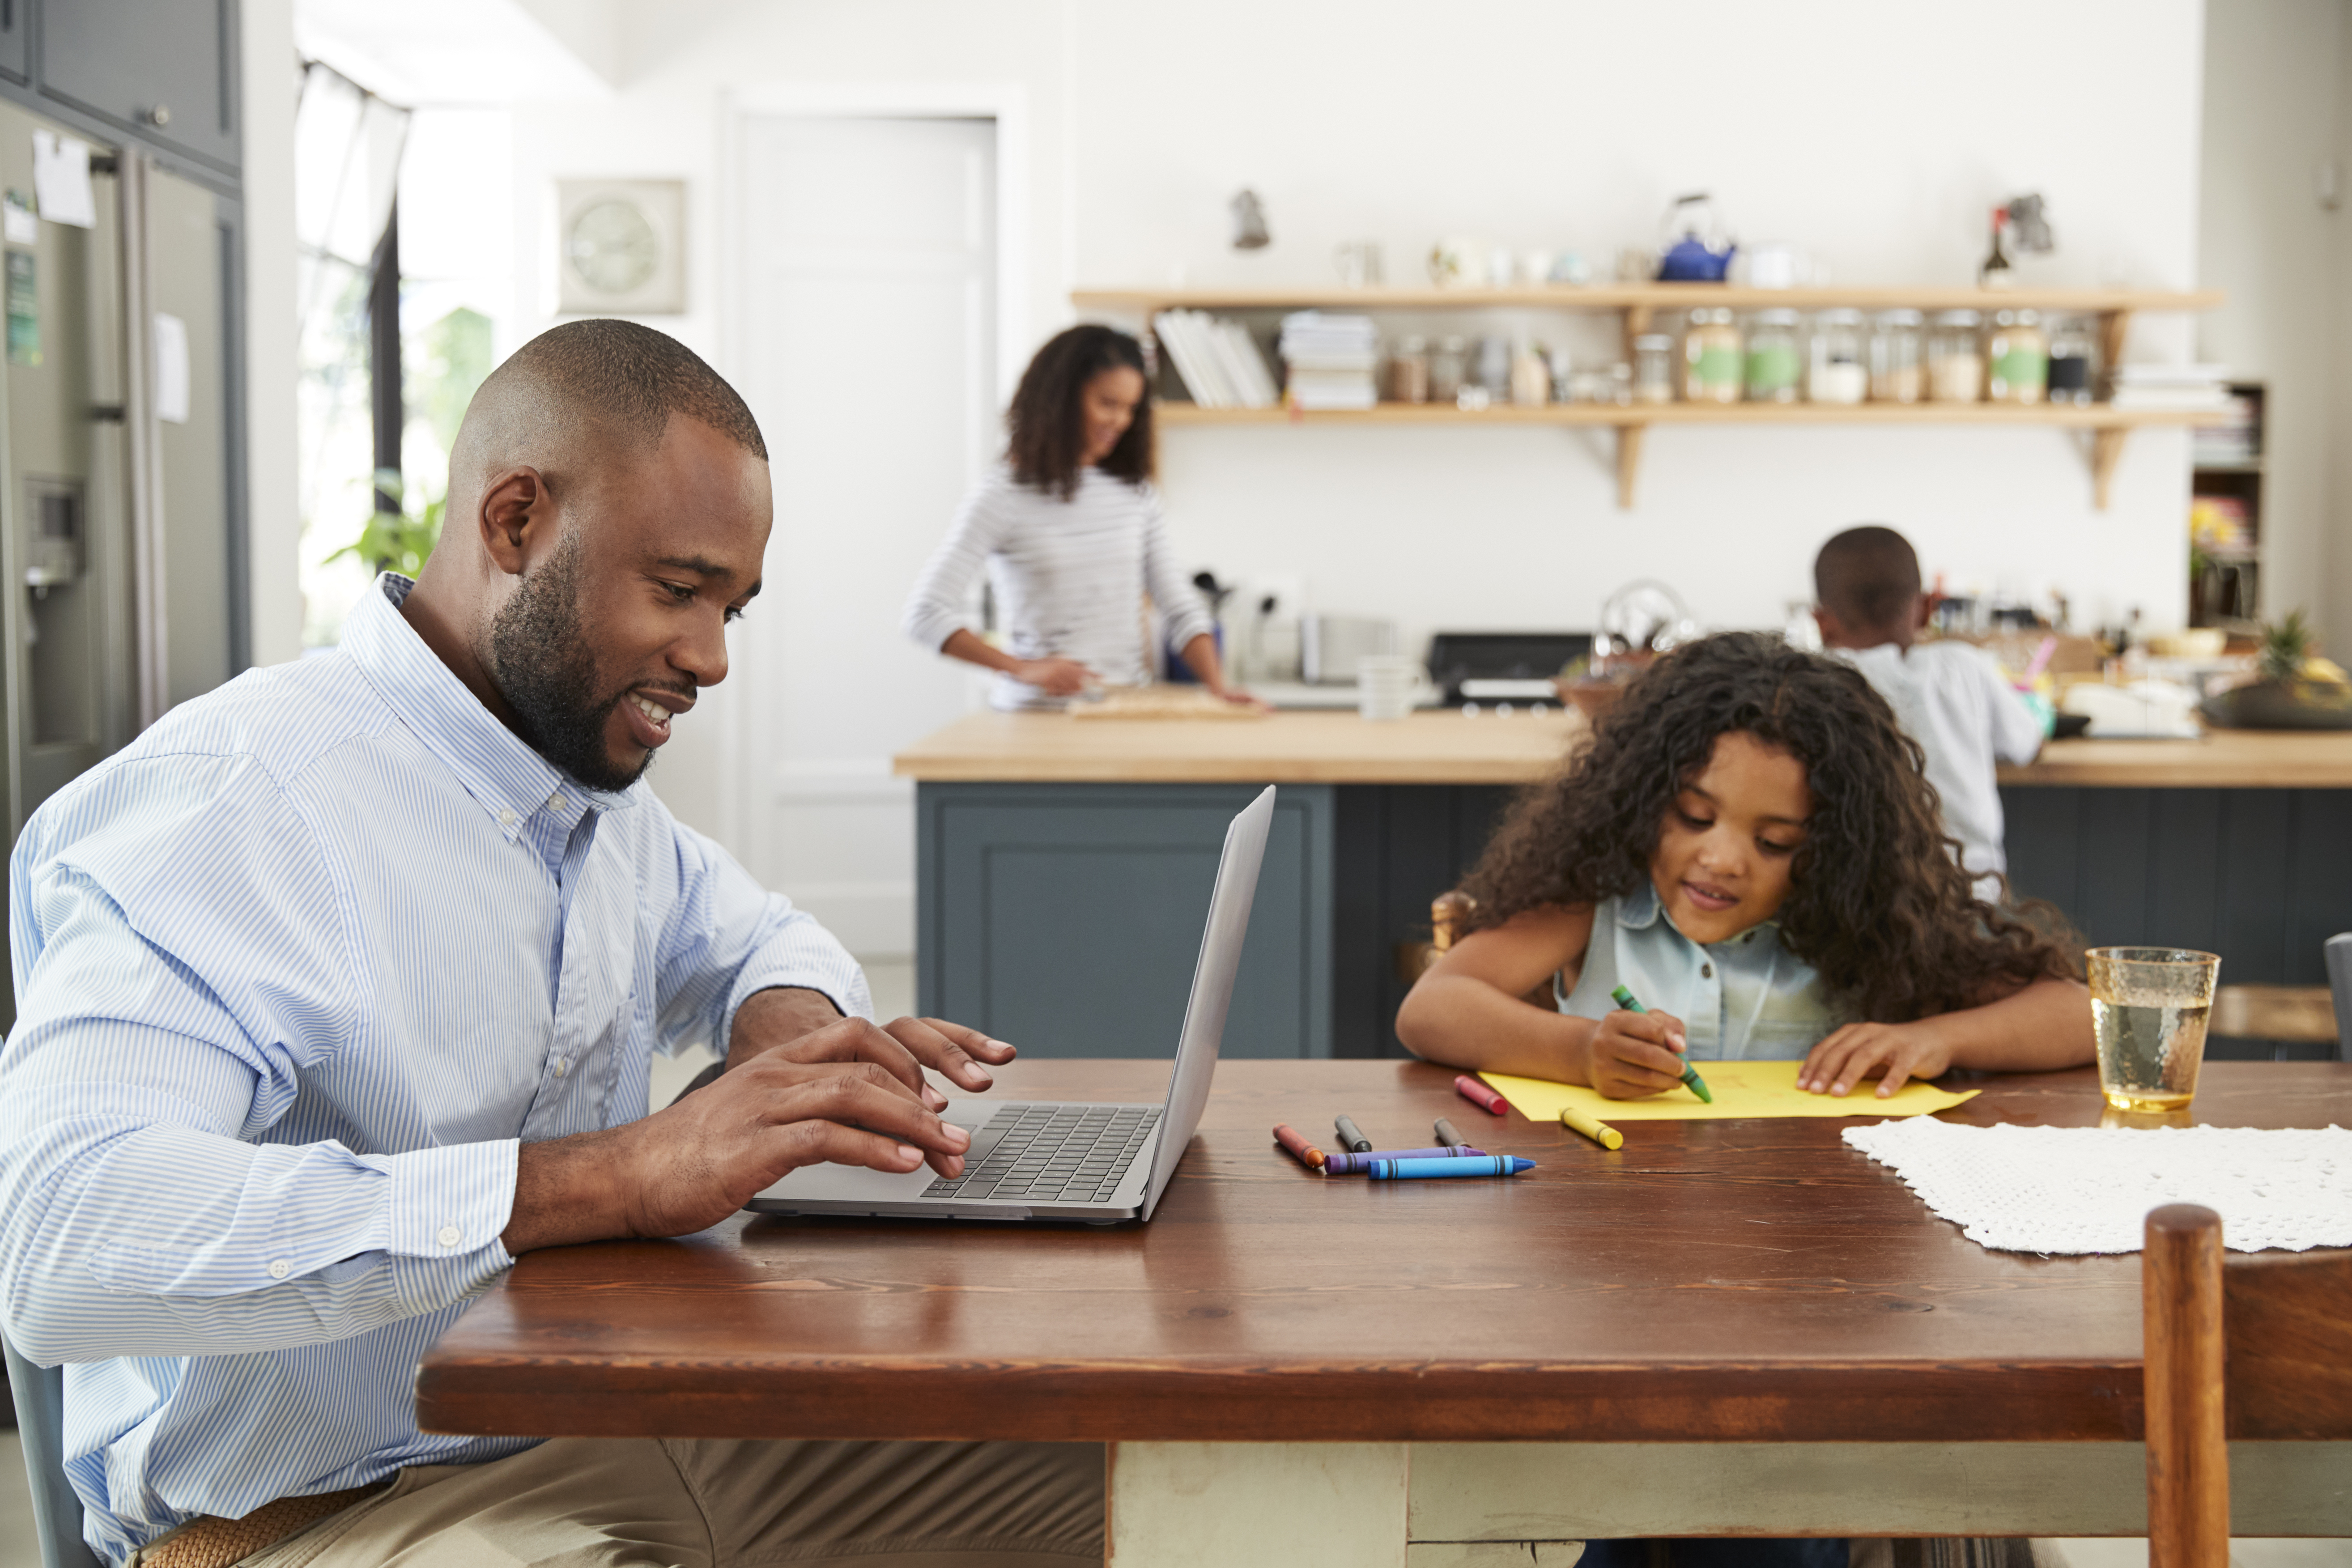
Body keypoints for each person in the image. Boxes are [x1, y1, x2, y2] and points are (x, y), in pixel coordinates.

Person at [0, 320, 1103, 1567]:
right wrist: (614, 1175)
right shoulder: (236, 799)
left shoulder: (588, 787)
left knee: (1136, 1492)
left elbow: (759, 940)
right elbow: (62, 1237)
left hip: (605, 1438)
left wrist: (798, 1042)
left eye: (731, 607)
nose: (712, 656)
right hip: (312, 1522)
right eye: (680, 591)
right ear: (514, 521)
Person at [1395, 632, 2093, 1105]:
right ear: (1642, 800)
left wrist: (1937, 1038)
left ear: (1834, 849)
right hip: (1607, 1237)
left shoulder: (1871, 923)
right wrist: (1580, 1052)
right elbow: (1433, 1008)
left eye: (1776, 842)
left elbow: (2084, 1015)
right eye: (1695, 818)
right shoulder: (1599, 898)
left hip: (1807, 1242)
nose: (1721, 860)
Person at [902, 324, 1253, 709]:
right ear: (1061, 399)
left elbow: (1180, 607)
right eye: (1107, 403)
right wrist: (1020, 668)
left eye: (1130, 409)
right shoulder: (1003, 495)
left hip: (1119, 712)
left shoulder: (1135, 494)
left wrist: (1217, 686)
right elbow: (925, 612)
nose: (1119, 421)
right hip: (1036, 719)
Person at [1812, 524, 2045, 889]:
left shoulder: (1814, 683)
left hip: (1859, 904)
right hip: (1973, 898)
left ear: (1821, 623)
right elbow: (2027, 742)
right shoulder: (1965, 666)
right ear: (1926, 609)